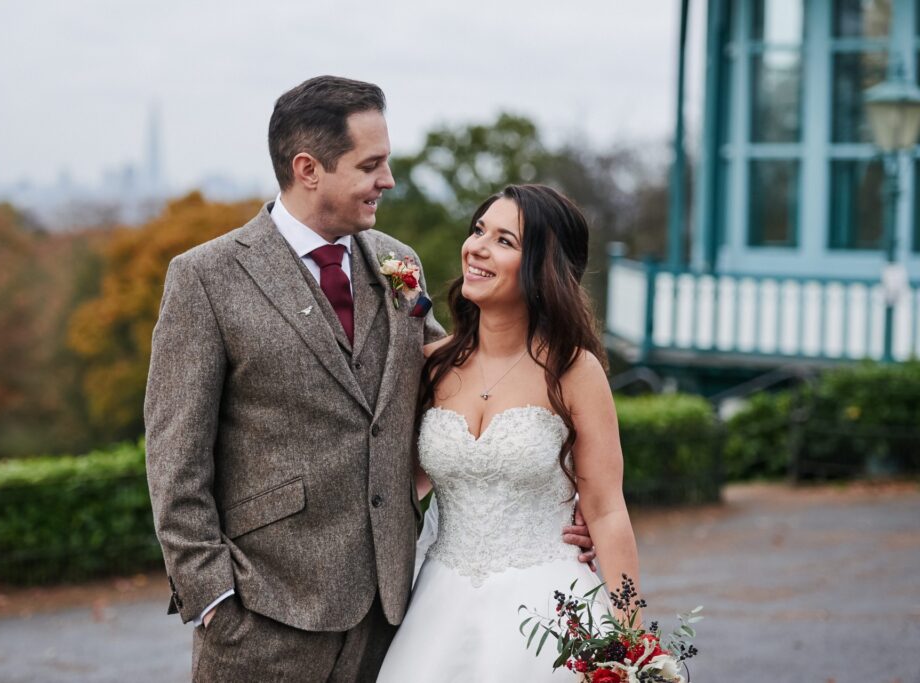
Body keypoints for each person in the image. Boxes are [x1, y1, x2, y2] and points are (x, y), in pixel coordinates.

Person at [145, 76, 596, 681]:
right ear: (309, 168)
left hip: (393, 616)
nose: (387, 180)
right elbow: (175, 459)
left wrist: (562, 493)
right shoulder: (206, 278)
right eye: (371, 165)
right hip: (262, 616)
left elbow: (464, 377)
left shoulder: (395, 262)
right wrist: (214, 599)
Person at [377, 184, 640, 681]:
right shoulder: (431, 364)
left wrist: (632, 643)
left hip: (549, 613)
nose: (476, 246)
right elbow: (395, 486)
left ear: (543, 268)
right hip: (439, 603)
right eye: (478, 230)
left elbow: (606, 510)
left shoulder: (574, 371)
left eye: (504, 240)